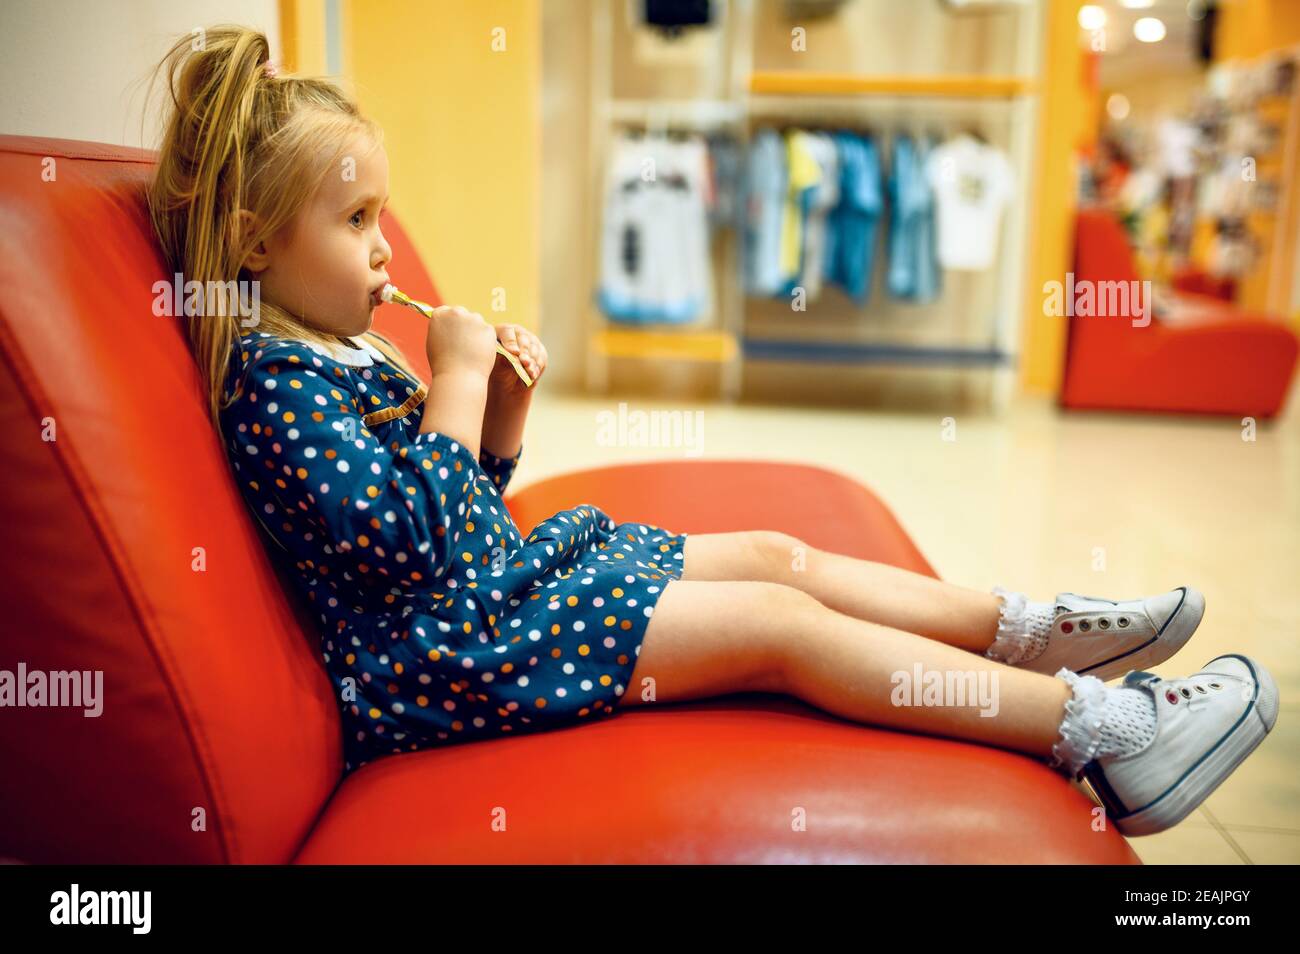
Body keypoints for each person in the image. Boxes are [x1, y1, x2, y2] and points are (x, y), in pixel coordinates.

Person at [146, 25, 1278, 837]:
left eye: (380, 215)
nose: (385, 247)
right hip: (447, 661)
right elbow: (407, 549)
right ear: (252, 245)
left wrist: (500, 414)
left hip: (492, 596)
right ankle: (1106, 737)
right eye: (354, 220)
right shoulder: (271, 386)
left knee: (781, 557)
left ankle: (1029, 633)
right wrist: (454, 381)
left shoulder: (342, 349)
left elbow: (463, 515)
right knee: (782, 626)